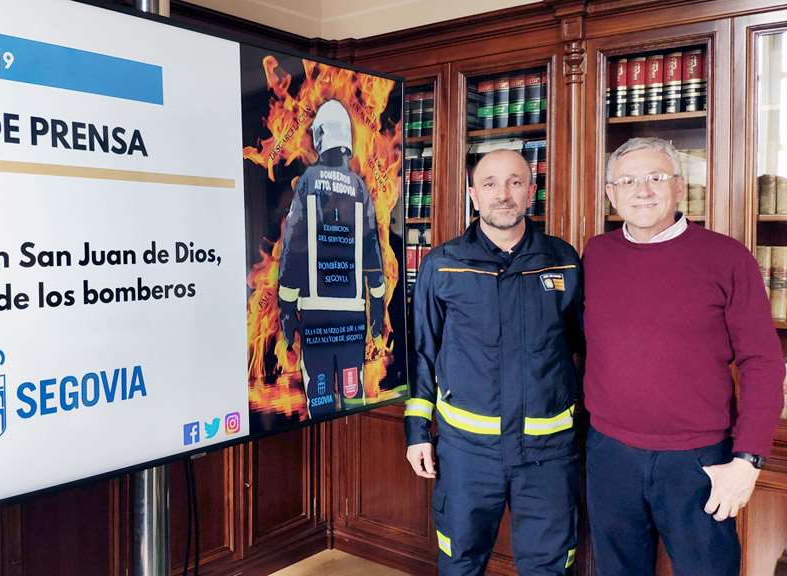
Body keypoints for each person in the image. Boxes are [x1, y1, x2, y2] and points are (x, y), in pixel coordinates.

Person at [583, 137, 785, 576]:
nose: (643, 190)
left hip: (699, 460)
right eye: (628, 181)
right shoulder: (595, 254)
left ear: (679, 188)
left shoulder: (727, 257)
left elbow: (763, 362)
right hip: (608, 455)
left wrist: (748, 460)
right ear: (611, 194)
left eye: (657, 177)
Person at [405, 149, 583, 575]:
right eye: (489, 184)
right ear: (473, 194)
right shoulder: (443, 264)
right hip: (467, 453)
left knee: (549, 565)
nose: (502, 194)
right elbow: (423, 353)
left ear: (530, 192)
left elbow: (583, 346)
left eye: (514, 182)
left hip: (548, 455)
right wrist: (416, 432)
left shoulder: (563, 260)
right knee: (461, 561)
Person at [278, 99, 385, 418]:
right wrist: (376, 302)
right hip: (353, 317)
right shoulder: (360, 188)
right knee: (354, 392)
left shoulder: (308, 182)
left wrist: (286, 307)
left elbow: (293, 246)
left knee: (319, 393)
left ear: (321, 136)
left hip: (315, 316)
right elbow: (372, 249)